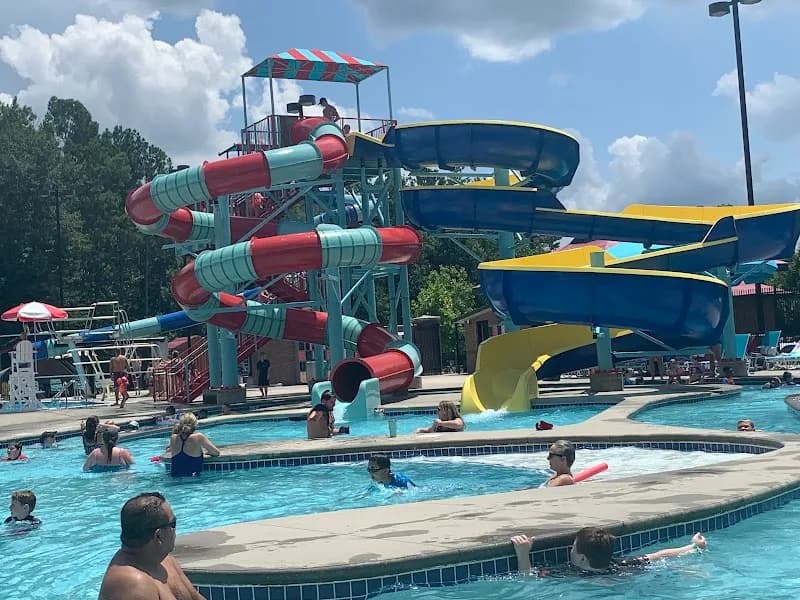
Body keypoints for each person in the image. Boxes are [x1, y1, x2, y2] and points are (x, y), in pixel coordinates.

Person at [98, 492, 204, 600]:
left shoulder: (165, 561)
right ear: (158, 536)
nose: (175, 530)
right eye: (173, 524)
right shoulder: (132, 586)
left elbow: (195, 597)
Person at [511, 527, 707, 575]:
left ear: (581, 557)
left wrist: (522, 554)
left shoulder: (567, 574)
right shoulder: (621, 565)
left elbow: (527, 579)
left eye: (573, 546)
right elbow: (660, 555)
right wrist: (693, 546)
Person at [168, 412, 220, 477]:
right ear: (195, 424)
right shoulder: (199, 437)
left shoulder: (173, 437)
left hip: (174, 479)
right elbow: (216, 453)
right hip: (192, 481)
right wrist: (208, 452)